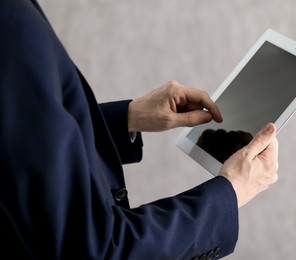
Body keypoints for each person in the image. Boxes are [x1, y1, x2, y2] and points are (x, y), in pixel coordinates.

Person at [0, 0, 279, 259]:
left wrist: (126, 118)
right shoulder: (11, 23)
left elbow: (20, 147)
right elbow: (95, 249)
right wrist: (229, 193)